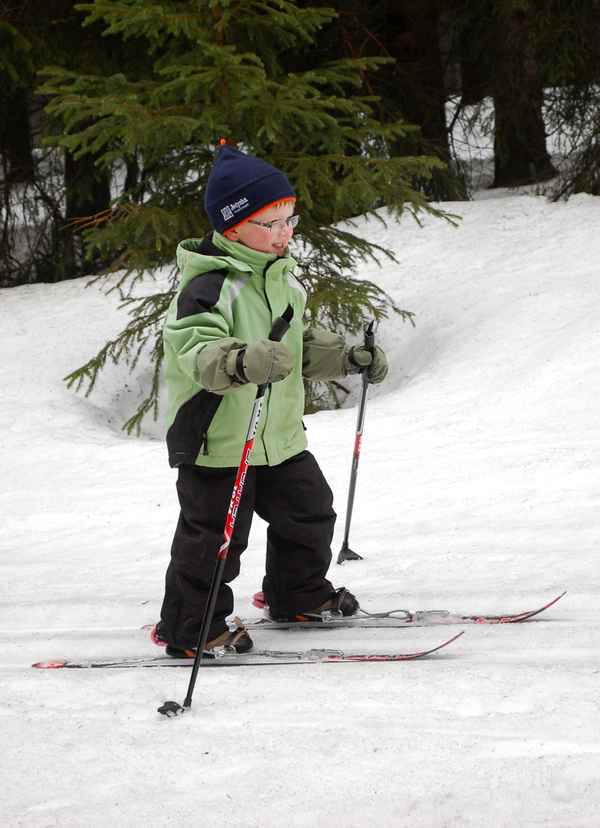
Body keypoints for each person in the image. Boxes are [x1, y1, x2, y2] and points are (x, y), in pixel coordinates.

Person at [154, 145, 389, 657]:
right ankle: (191, 627)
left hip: (278, 438)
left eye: (290, 219)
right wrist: (241, 359)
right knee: (215, 540)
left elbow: (296, 348)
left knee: (310, 513)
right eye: (271, 222)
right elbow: (195, 349)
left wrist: (350, 356)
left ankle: (297, 594)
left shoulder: (284, 284)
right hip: (218, 441)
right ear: (233, 227)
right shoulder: (209, 287)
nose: (285, 232)